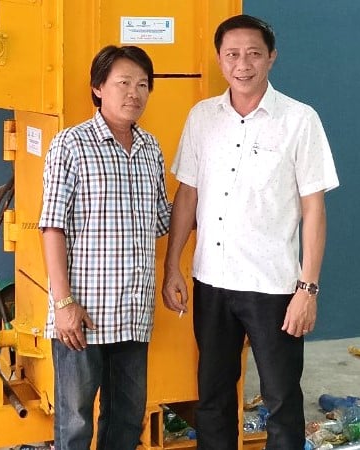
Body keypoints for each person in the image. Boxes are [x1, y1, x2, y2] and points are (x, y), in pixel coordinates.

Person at [161, 14, 339, 450]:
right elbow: (187, 196)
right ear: (220, 60)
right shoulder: (203, 117)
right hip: (212, 282)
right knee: (213, 398)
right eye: (233, 55)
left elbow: (314, 209)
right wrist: (171, 267)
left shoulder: (299, 120)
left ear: (271, 58)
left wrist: (307, 289)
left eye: (254, 54)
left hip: (273, 287)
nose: (243, 64)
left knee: (281, 401)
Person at [39, 45, 171, 450]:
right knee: (76, 422)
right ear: (98, 88)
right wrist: (63, 304)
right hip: (83, 314)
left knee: (127, 416)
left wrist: (206, 182)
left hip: (133, 311)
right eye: (123, 83)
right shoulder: (71, 145)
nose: (135, 92)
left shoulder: (151, 149)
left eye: (143, 84)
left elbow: (161, 220)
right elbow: (52, 227)